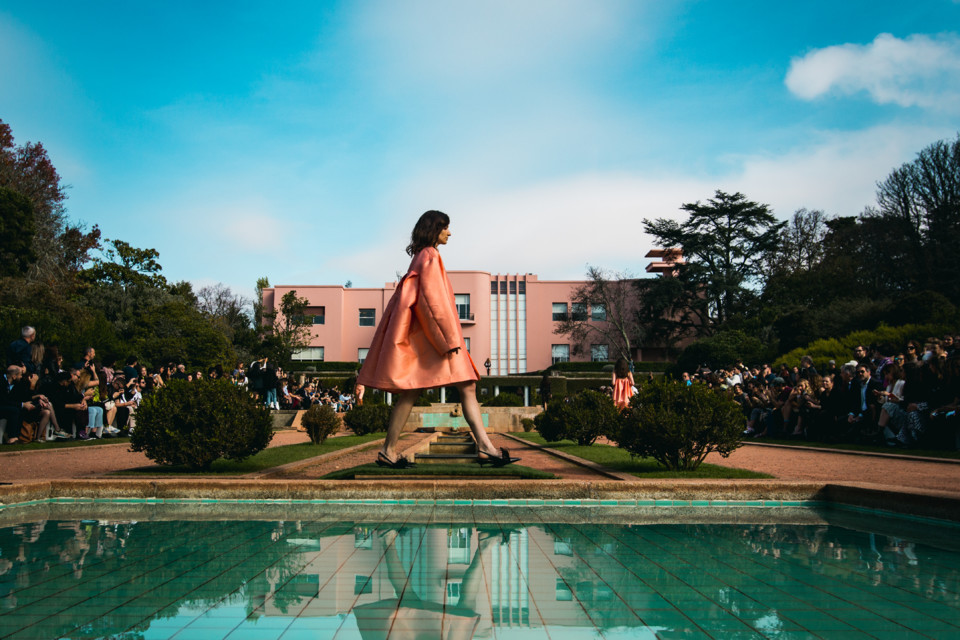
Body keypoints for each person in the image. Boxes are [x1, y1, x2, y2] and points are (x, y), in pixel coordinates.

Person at [357, 210, 518, 468]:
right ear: (434, 229)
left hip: (427, 340)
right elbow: (433, 302)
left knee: (418, 392)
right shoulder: (430, 255)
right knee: (461, 387)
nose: (449, 232)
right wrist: (449, 340)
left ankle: (389, 450)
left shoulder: (421, 257)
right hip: (438, 341)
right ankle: (485, 448)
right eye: (445, 227)